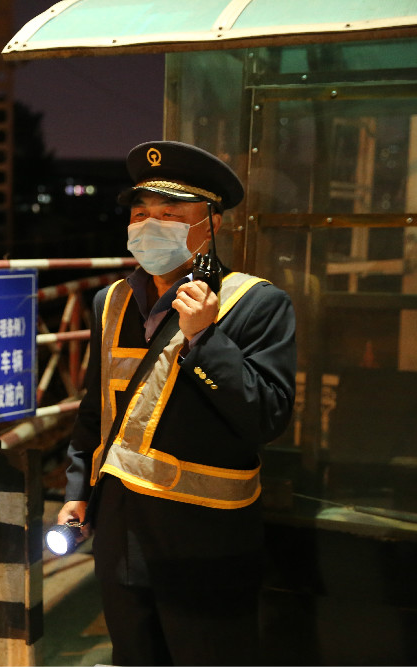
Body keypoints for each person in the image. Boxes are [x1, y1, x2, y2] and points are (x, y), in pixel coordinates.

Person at [57, 140, 296, 665]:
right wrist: (79, 489)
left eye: (170, 214)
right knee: (134, 654)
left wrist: (205, 340)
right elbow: (97, 411)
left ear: (208, 225)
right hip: (120, 528)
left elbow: (268, 417)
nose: (149, 225)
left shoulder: (256, 303)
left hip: (206, 538)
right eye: (140, 214)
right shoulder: (111, 300)